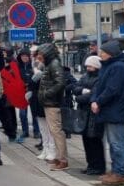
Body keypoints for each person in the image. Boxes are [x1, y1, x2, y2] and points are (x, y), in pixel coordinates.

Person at [91, 40, 124, 185]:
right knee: (113, 142)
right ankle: (116, 170)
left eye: (102, 52)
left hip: (116, 110)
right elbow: (100, 86)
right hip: (110, 110)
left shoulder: (119, 67)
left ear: (111, 53)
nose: (100, 54)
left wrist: (98, 101)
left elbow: (112, 89)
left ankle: (121, 173)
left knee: (117, 143)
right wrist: (95, 99)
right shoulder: (110, 66)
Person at [71, 56, 105, 175]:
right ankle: (90, 164)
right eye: (87, 66)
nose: (88, 68)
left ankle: (98, 166)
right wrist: (83, 91)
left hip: (94, 113)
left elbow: (94, 94)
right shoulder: (85, 76)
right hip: (83, 113)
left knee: (94, 140)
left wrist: (80, 96)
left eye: (91, 66)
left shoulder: (100, 78)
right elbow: (75, 88)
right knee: (86, 140)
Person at [37, 43, 68, 171]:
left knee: (56, 131)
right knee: (54, 131)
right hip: (49, 102)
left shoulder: (54, 64)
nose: (39, 56)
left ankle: (63, 160)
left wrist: (46, 94)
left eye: (41, 54)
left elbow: (60, 83)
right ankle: (59, 157)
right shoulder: (50, 64)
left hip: (53, 103)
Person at [16, 49, 40, 142]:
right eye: (23, 56)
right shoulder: (18, 67)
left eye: (26, 56)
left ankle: (36, 131)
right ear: (20, 57)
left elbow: (37, 78)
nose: (24, 58)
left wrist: (29, 84)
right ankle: (25, 131)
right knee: (22, 113)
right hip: (22, 93)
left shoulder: (33, 66)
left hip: (33, 92)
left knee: (34, 113)